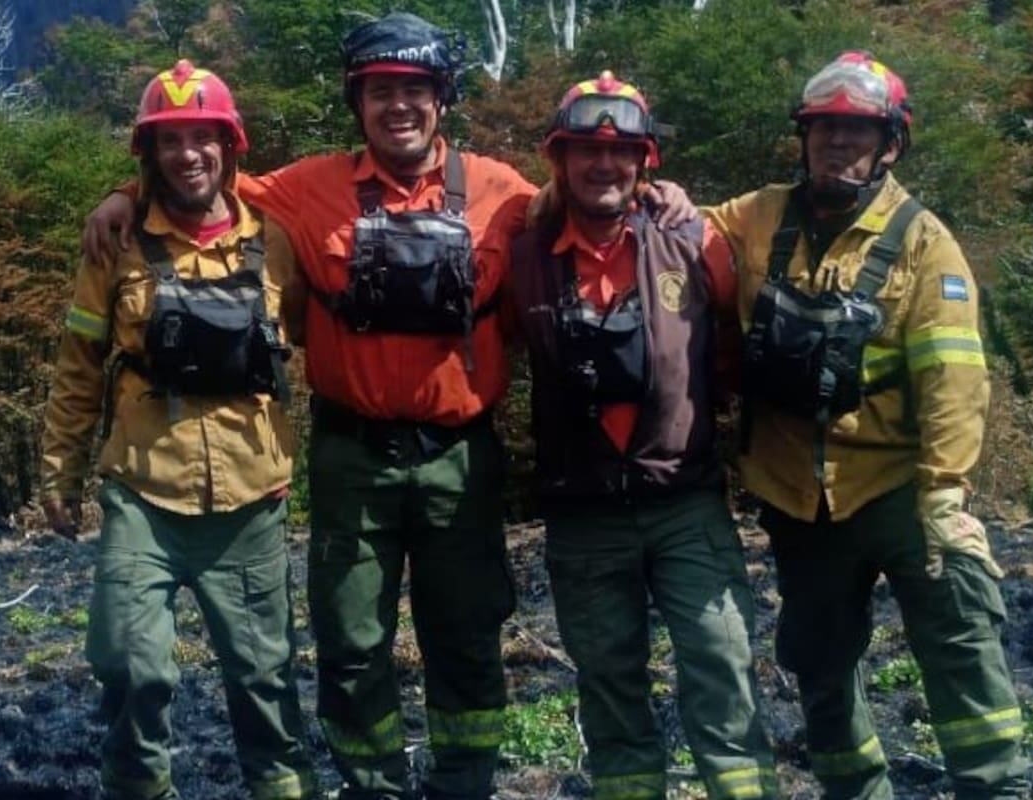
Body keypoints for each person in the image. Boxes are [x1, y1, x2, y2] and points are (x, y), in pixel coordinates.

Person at [83, 13, 695, 800]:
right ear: (357, 102)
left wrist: (659, 188)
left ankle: (464, 780)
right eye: (378, 92)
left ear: (441, 98)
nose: (396, 106)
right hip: (352, 458)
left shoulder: (506, 195)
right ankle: (370, 784)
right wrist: (123, 193)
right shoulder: (305, 188)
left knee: (467, 636)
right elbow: (196, 179)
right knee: (349, 643)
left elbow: (592, 202)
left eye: (413, 90)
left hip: (460, 457)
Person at [703, 51, 1029, 799]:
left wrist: (945, 497)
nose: (837, 144)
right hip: (798, 499)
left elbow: (953, 378)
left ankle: (998, 786)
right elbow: (678, 230)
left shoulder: (924, 242)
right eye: (824, 130)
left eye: (857, 131)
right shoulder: (758, 216)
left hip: (901, 491)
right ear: (804, 138)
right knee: (818, 664)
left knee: (959, 648)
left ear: (890, 144)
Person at [40, 60, 315, 800]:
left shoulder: (280, 243)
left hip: (253, 500)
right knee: (132, 664)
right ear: (148, 153)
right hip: (143, 493)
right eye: (169, 141)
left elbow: (331, 347)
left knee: (265, 678)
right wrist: (58, 471)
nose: (188, 154)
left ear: (230, 146)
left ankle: (281, 788)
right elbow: (78, 367)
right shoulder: (115, 245)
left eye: (204, 138)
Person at [504, 71, 777, 800]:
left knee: (721, 664)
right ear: (557, 159)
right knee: (609, 684)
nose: (605, 164)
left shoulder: (693, 241)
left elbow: (735, 346)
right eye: (585, 151)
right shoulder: (522, 254)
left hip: (683, 500)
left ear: (646, 161)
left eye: (623, 151)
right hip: (582, 511)